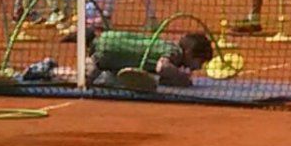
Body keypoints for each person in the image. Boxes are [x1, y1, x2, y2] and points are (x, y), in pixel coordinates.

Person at [86, 30, 214, 88]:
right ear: (189, 53)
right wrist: (182, 78)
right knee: (87, 79)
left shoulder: (166, 46)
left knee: (97, 78)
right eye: (200, 62)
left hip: (109, 40)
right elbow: (162, 67)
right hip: (109, 52)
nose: (199, 67)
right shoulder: (175, 52)